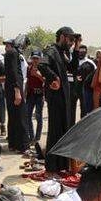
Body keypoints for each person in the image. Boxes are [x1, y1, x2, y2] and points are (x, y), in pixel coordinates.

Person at [41, 28, 76, 173]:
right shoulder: (52, 51)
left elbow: (73, 68)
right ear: (62, 37)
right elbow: (42, 65)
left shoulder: (62, 53)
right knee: (55, 131)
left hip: (64, 97)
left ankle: (61, 165)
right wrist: (53, 77)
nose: (72, 43)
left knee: (64, 129)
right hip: (56, 98)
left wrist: (76, 48)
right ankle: (52, 166)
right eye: (70, 39)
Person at [4, 38, 28, 152]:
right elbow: (14, 73)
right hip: (15, 89)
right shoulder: (13, 53)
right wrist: (17, 90)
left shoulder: (11, 53)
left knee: (13, 117)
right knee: (20, 117)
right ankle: (22, 145)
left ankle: (13, 144)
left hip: (11, 88)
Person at [24, 48, 46, 143]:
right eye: (33, 58)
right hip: (30, 94)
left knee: (38, 116)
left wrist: (38, 75)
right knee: (27, 116)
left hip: (39, 95)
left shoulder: (43, 68)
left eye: (37, 58)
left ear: (40, 59)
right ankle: (31, 136)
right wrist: (25, 92)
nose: (35, 60)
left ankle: (37, 138)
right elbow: (28, 81)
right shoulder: (29, 68)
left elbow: (45, 81)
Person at [75, 47, 97, 117]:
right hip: (73, 88)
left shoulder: (90, 62)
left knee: (84, 108)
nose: (81, 53)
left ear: (86, 52)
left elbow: (95, 74)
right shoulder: (73, 61)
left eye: (83, 51)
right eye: (80, 51)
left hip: (85, 88)